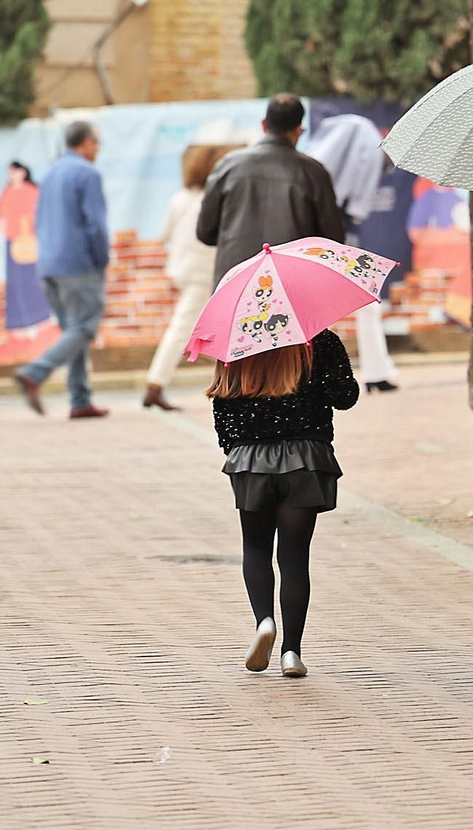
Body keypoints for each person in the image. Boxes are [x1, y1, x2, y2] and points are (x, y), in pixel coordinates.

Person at [210, 329, 359, 679]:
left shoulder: (237, 336)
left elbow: (223, 408)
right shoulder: (319, 339)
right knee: (294, 557)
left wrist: (237, 449)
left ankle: (264, 621)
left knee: (256, 548)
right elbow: (345, 396)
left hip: (249, 459)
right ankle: (291, 652)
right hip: (306, 456)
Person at [13, 121, 111, 420]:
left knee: (73, 330)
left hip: (49, 264)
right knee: (84, 328)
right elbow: (95, 224)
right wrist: (101, 260)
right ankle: (34, 372)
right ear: (86, 143)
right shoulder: (87, 173)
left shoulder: (50, 172)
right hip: (78, 264)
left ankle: (80, 400)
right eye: (97, 143)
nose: (98, 150)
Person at [196, 94, 347, 285]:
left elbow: (205, 233)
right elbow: (333, 239)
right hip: (290, 285)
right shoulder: (314, 173)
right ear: (298, 130)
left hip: (236, 284)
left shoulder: (227, 166)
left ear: (264, 124)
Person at [304, 113, 400, 393]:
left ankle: (374, 371)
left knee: (362, 303)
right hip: (329, 237)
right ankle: (373, 371)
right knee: (359, 303)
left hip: (329, 235)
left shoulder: (355, 138)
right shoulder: (362, 137)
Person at [144, 142, 239, 411]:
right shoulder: (214, 198)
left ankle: (160, 384)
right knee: (183, 328)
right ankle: (155, 385)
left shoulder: (181, 197)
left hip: (183, 269)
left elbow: (165, 234)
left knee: (198, 326)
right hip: (203, 271)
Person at [0, 161, 55, 342]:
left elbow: (42, 215)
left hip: (30, 243)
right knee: (15, 283)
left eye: (13, 171)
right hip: (12, 243)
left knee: (33, 280)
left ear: (22, 172)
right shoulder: (7, 192)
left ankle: (42, 319)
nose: (11, 175)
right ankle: (19, 324)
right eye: (9, 172)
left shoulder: (32, 191)